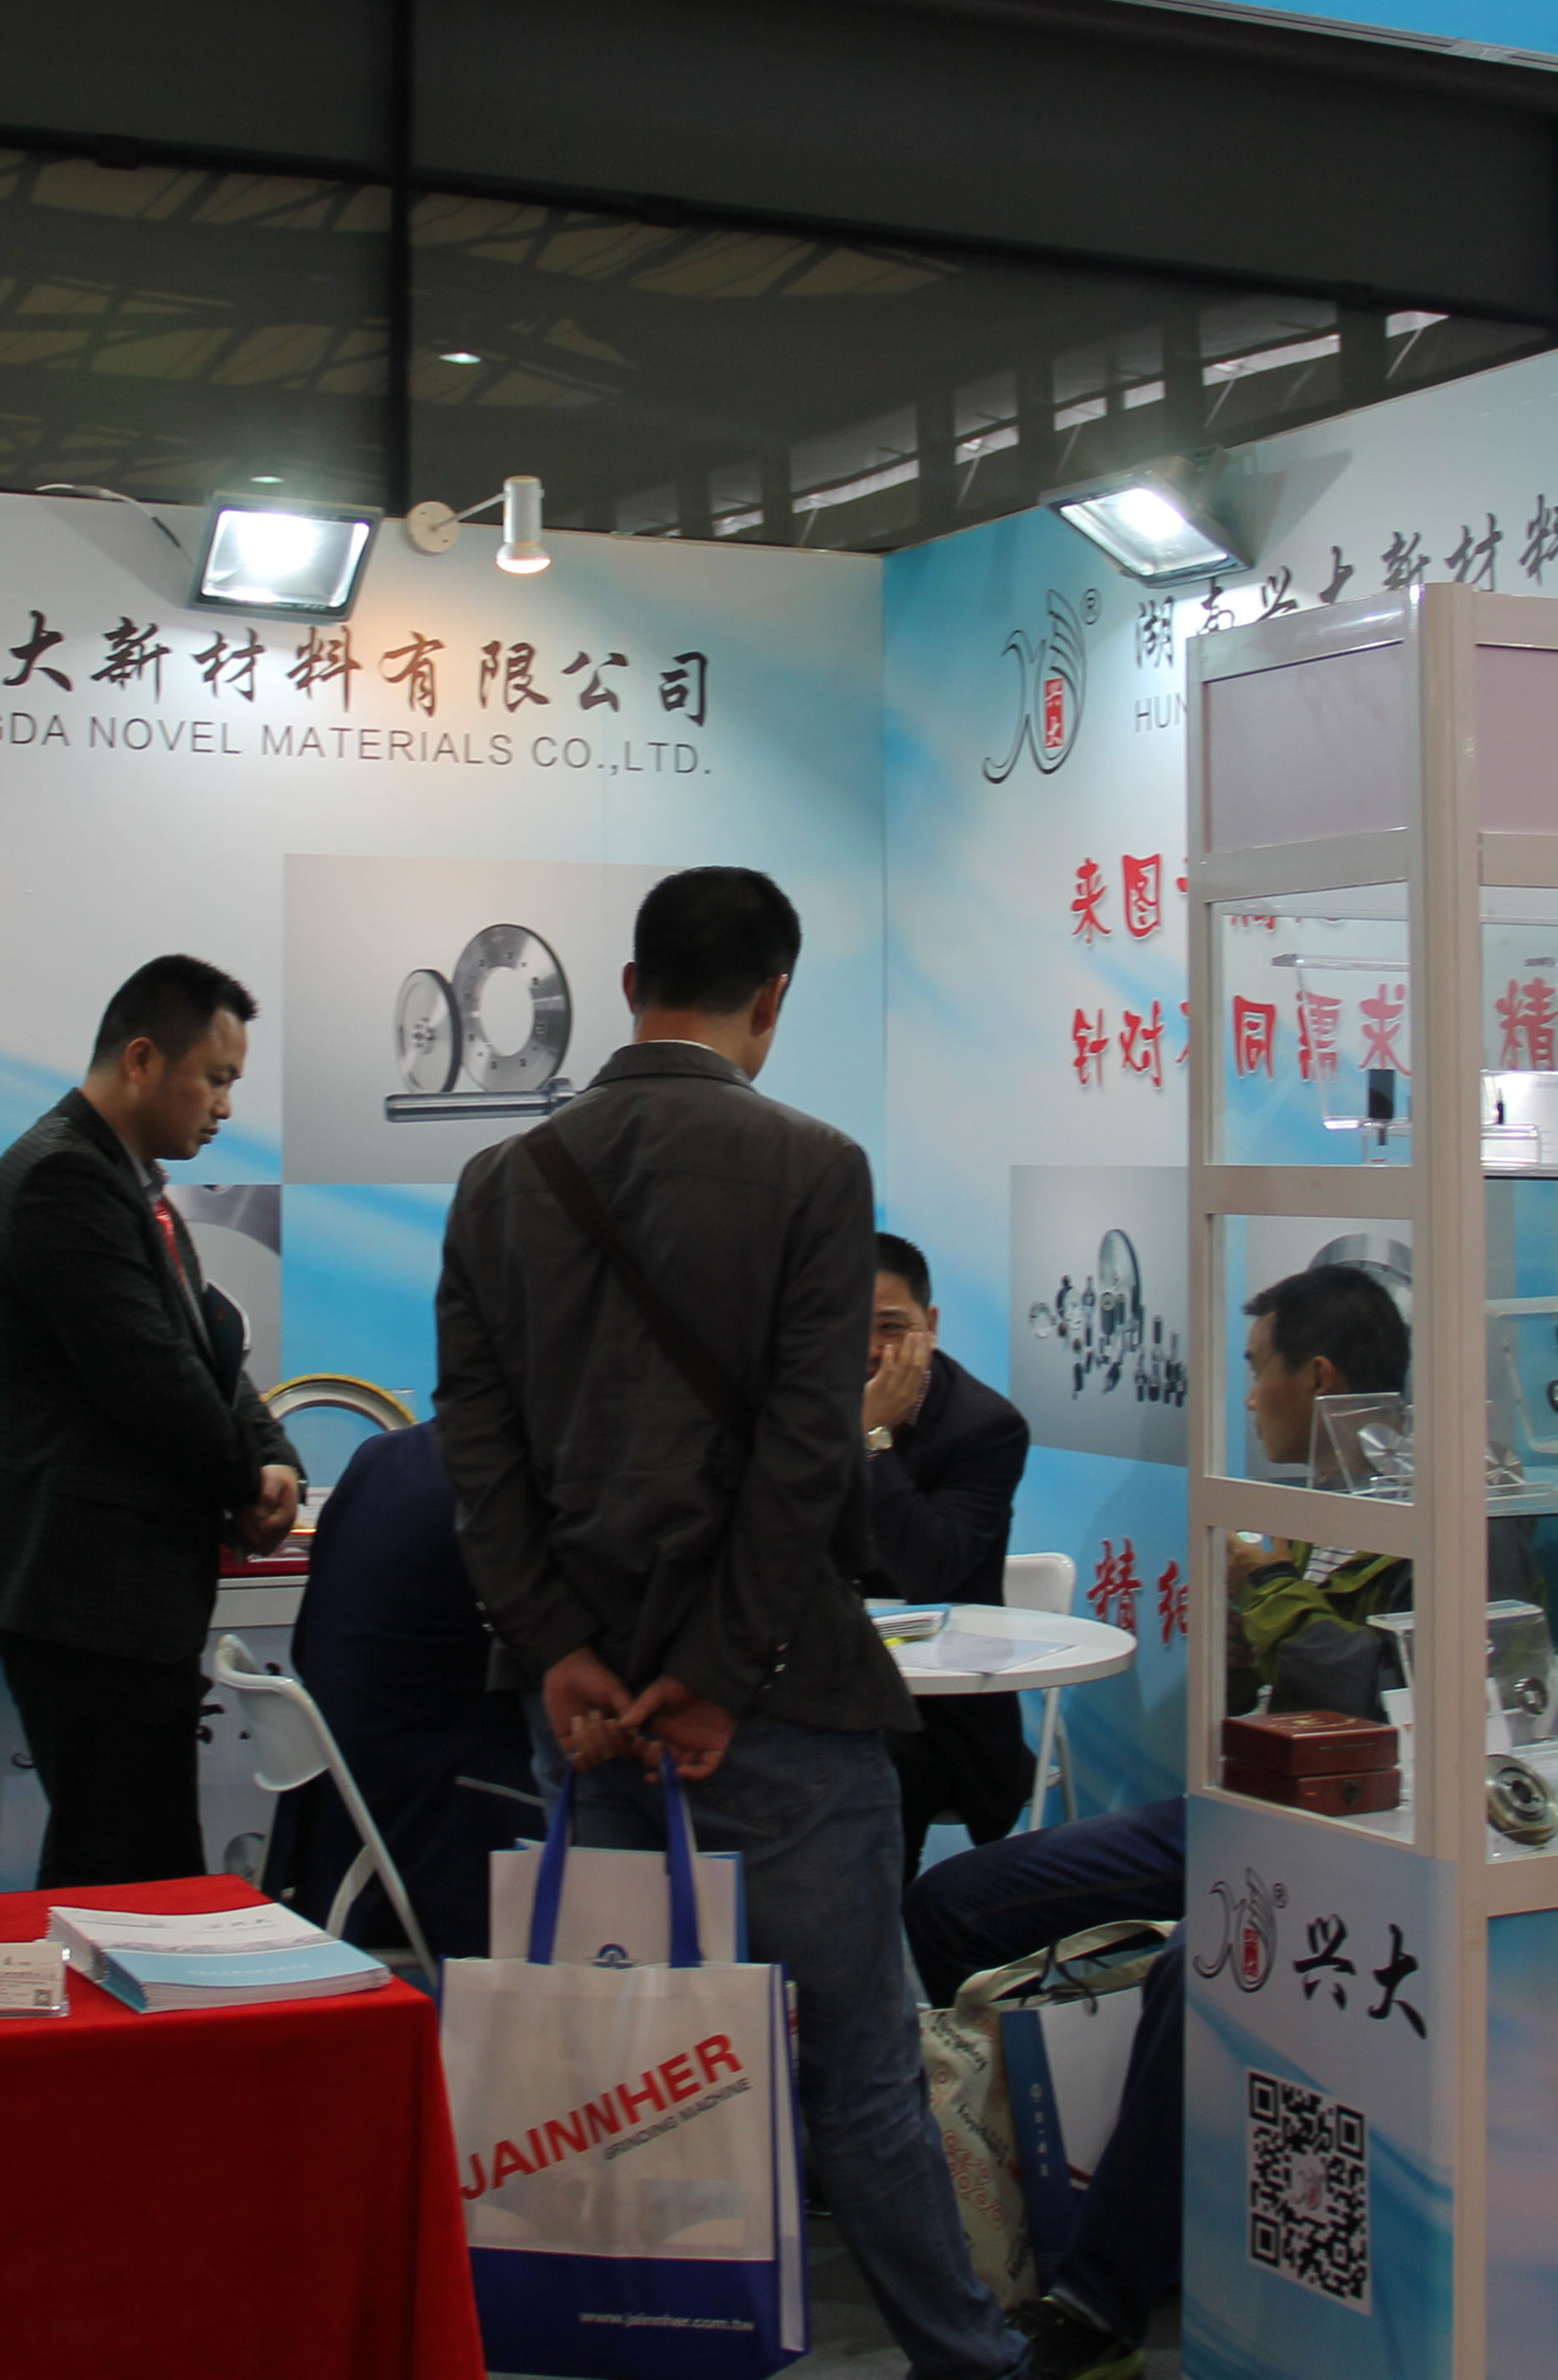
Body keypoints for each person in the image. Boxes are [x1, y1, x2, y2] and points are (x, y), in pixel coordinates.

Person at [438, 866, 1025, 2380]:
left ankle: (626, 2343)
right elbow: (804, 1452)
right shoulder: (814, 1166)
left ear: (631, 984)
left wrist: (555, 1645)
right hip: (780, 1705)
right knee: (861, 2072)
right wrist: (717, 1669)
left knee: (614, 2065)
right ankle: (964, 2361)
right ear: (773, 997)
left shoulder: (499, 1180)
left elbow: (476, 1448)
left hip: (582, 1707)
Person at [905, 1259, 1419, 2380]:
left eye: (1257, 1368)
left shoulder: (1430, 1513)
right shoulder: (1303, 1507)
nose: (1246, 1396)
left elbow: (1365, 1690)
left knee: (1207, 1968)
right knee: (951, 1904)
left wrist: (1264, 1582)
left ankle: (1099, 2302)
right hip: (1236, 1816)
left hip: (1367, 1845)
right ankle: (1034, 2206)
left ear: (1319, 1376)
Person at [0, 955, 302, 1889]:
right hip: (84, 1592)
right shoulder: (64, 1178)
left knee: (130, 1862)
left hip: (117, 1595)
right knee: (121, 1871)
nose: (225, 1107)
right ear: (142, 1059)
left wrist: (273, 1458)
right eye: (214, 1078)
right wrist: (245, 1484)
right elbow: (150, 1380)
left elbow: (205, 1348)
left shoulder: (126, 1181)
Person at [266, 1419, 542, 1962]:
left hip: (344, 1823)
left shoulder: (379, 1457)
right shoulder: (503, 1483)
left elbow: (306, 1645)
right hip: (437, 1831)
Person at [862, 1230, 1034, 1873]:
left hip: (939, 1714)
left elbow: (928, 1573)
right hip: (825, 1680)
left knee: (871, 1766)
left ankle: (878, 1929)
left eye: (891, 1327)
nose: (871, 1350)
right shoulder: (798, 1404)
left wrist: (871, 1438)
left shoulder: (984, 1426)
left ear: (929, 1326)